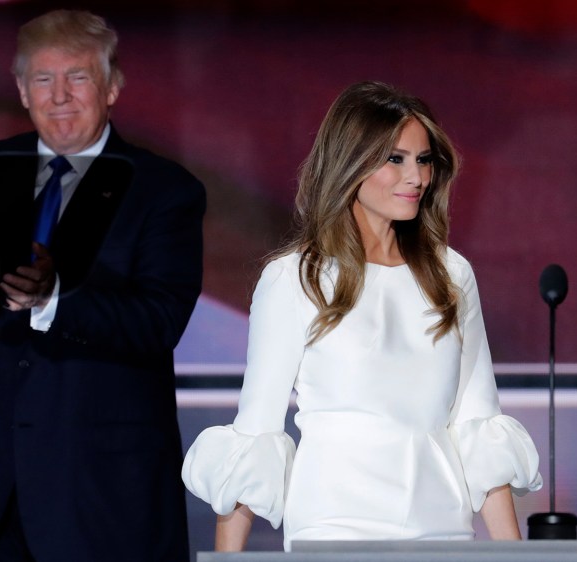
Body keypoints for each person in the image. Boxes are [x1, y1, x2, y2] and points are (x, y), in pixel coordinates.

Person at [182, 81, 542, 551]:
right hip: (335, 530)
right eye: (395, 159)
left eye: (424, 159)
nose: (415, 177)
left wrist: (514, 557)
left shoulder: (451, 275)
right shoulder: (295, 279)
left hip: (443, 531)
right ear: (350, 163)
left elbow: (479, 423)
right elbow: (257, 432)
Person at [0, 10, 204, 562]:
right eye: (43, 79)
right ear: (21, 89)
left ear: (112, 86)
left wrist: (54, 300)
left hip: (104, 495)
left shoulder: (163, 188)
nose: (60, 95)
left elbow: (159, 322)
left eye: (78, 77)